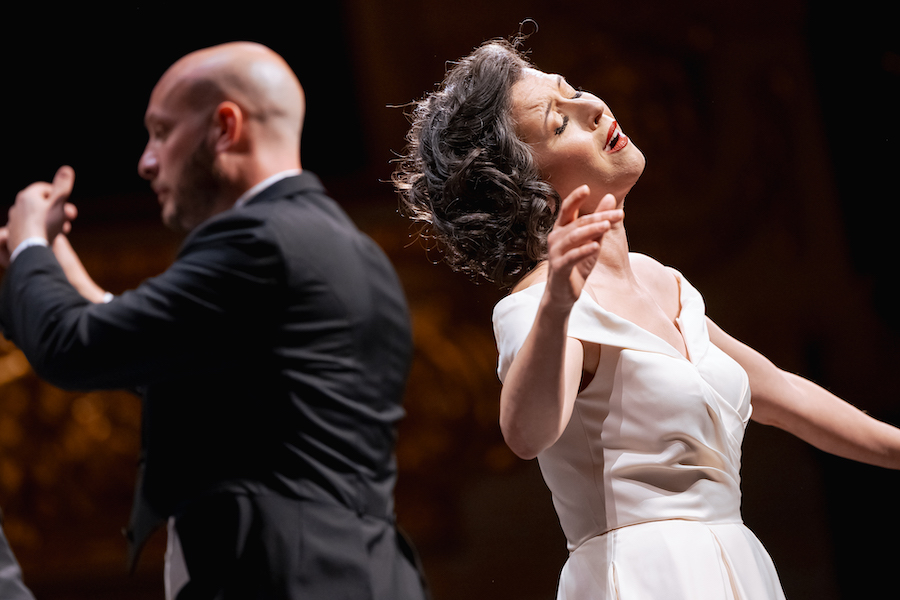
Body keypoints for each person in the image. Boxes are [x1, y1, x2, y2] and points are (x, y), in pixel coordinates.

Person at [393, 38, 900, 599]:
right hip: (643, 576)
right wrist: (561, 302)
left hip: (735, 564)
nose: (594, 109)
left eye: (575, 92)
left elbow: (781, 393)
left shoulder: (663, 281)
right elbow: (526, 433)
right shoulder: (537, 304)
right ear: (527, 187)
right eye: (561, 123)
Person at [0, 42, 427, 600]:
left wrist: (29, 237)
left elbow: (73, 347)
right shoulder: (343, 247)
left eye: (160, 132)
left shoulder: (258, 243)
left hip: (287, 579)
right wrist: (51, 261)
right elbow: (147, 346)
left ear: (225, 126)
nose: (146, 161)